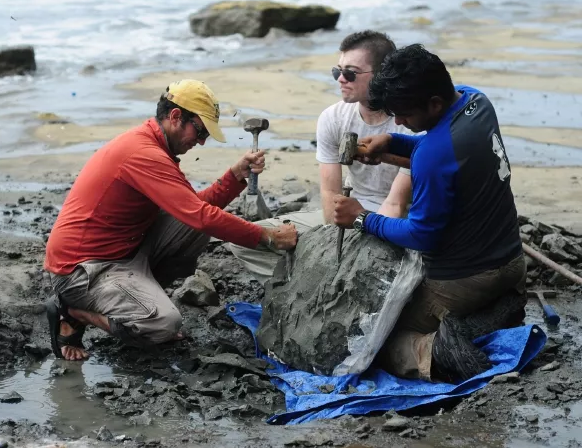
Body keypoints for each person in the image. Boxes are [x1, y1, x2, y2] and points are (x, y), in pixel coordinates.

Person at [43, 79, 298, 361]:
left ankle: (139, 300)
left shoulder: (152, 145)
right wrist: (269, 237)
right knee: (163, 325)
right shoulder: (144, 154)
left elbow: (193, 209)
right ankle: (73, 313)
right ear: (176, 116)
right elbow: (202, 215)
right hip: (81, 271)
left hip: (123, 251)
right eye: (200, 131)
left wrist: (235, 176)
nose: (201, 141)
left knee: (192, 225)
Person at [333, 44, 526, 382]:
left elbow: (421, 235)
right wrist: (393, 142)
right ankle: (490, 315)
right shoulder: (476, 100)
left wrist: (362, 217)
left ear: (434, 103)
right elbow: (442, 147)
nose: (399, 121)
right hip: (511, 261)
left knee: (374, 339)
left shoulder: (433, 156)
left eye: (404, 115)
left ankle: (435, 351)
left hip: (463, 281)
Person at [227, 30, 416, 282]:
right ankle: (305, 282)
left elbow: (395, 205)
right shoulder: (333, 118)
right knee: (244, 240)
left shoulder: (409, 123)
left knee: (385, 261)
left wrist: (360, 244)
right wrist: (328, 246)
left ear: (381, 74)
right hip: (347, 212)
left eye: (351, 73)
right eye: (337, 71)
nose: (341, 79)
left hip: (398, 220)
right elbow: (330, 194)